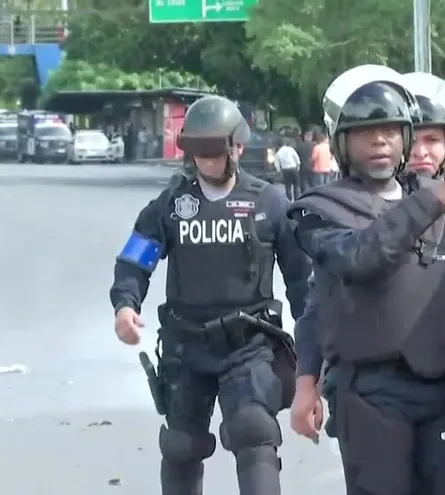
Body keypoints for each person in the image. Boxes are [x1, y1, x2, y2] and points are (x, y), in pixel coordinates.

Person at [286, 65, 445, 495]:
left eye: (390, 130)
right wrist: (305, 384)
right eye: (366, 132)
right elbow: (357, 261)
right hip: (370, 396)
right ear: (342, 144)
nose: (380, 140)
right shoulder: (319, 211)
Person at [109, 95, 311, 495]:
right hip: (186, 345)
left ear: (237, 147)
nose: (206, 161)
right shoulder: (171, 206)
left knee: (254, 431)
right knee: (181, 446)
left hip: (249, 343)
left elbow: (302, 280)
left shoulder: (268, 203)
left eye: (214, 151)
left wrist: (314, 340)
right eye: (197, 152)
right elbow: (137, 259)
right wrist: (125, 306)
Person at [295, 127, 316, 195]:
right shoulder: (314, 146)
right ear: (311, 137)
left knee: (303, 183)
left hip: (302, 166)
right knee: (313, 183)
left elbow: (296, 156)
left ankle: (304, 196)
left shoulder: (299, 146)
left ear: (304, 137)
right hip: (312, 166)